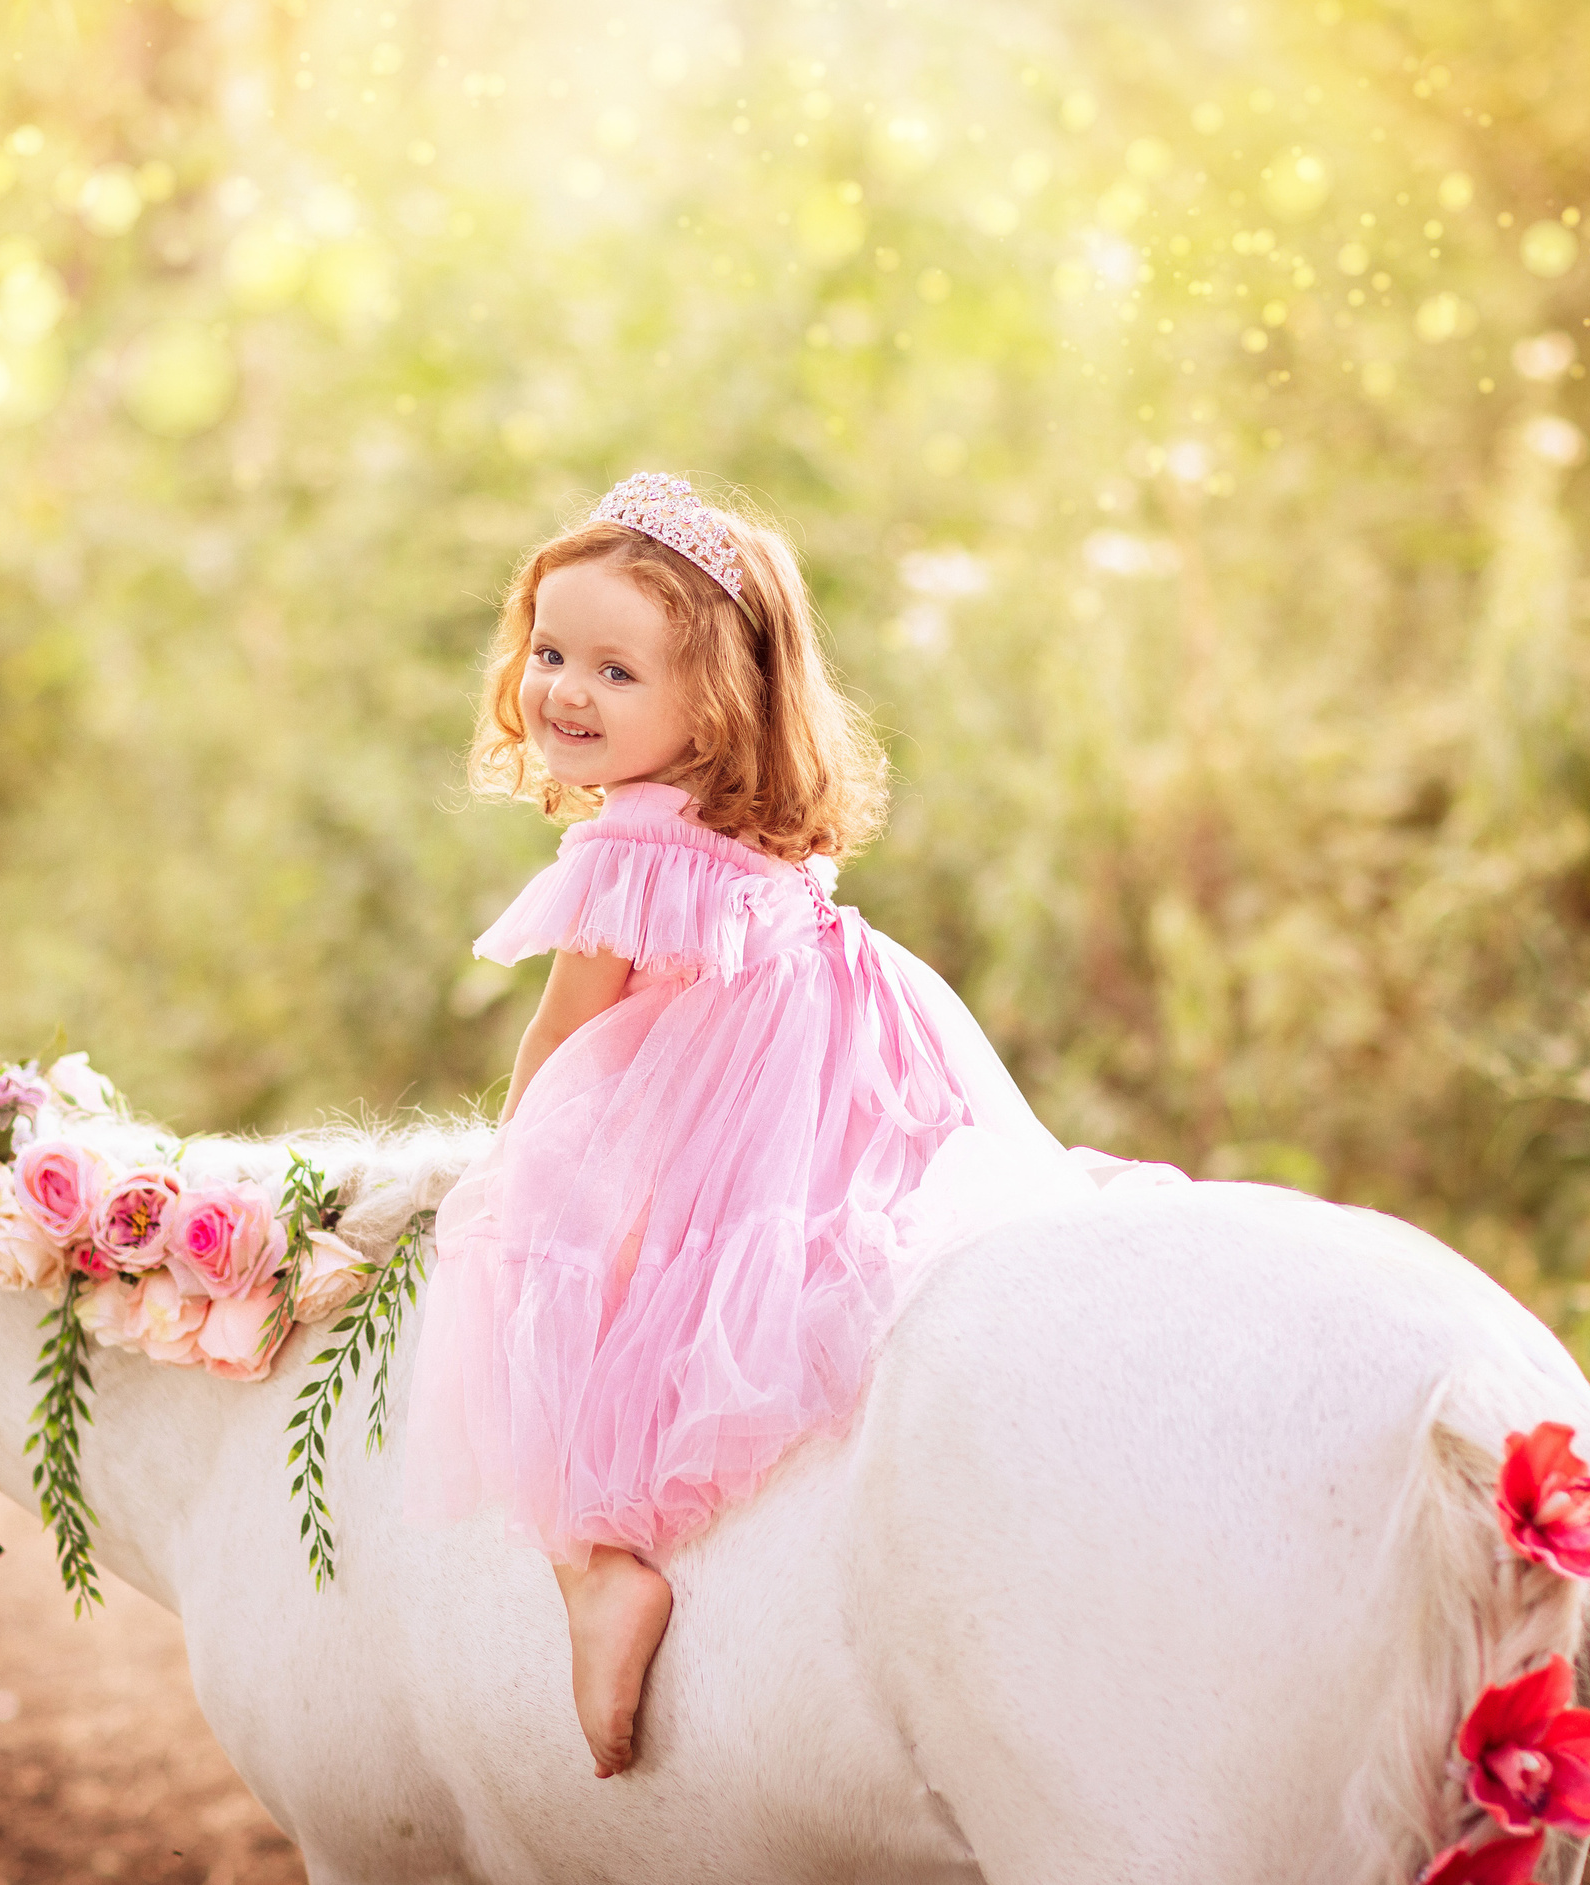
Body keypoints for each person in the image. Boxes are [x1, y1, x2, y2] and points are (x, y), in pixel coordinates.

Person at [402, 472, 1176, 1779]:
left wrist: (512, 1169)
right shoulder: (750, 819)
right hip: (853, 1065)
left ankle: (596, 1573)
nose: (566, 691)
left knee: (544, 1290)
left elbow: (567, 1035)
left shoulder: (625, 844)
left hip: (739, 1089)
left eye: (613, 670)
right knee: (845, 1241)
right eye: (547, 652)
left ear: (710, 703)